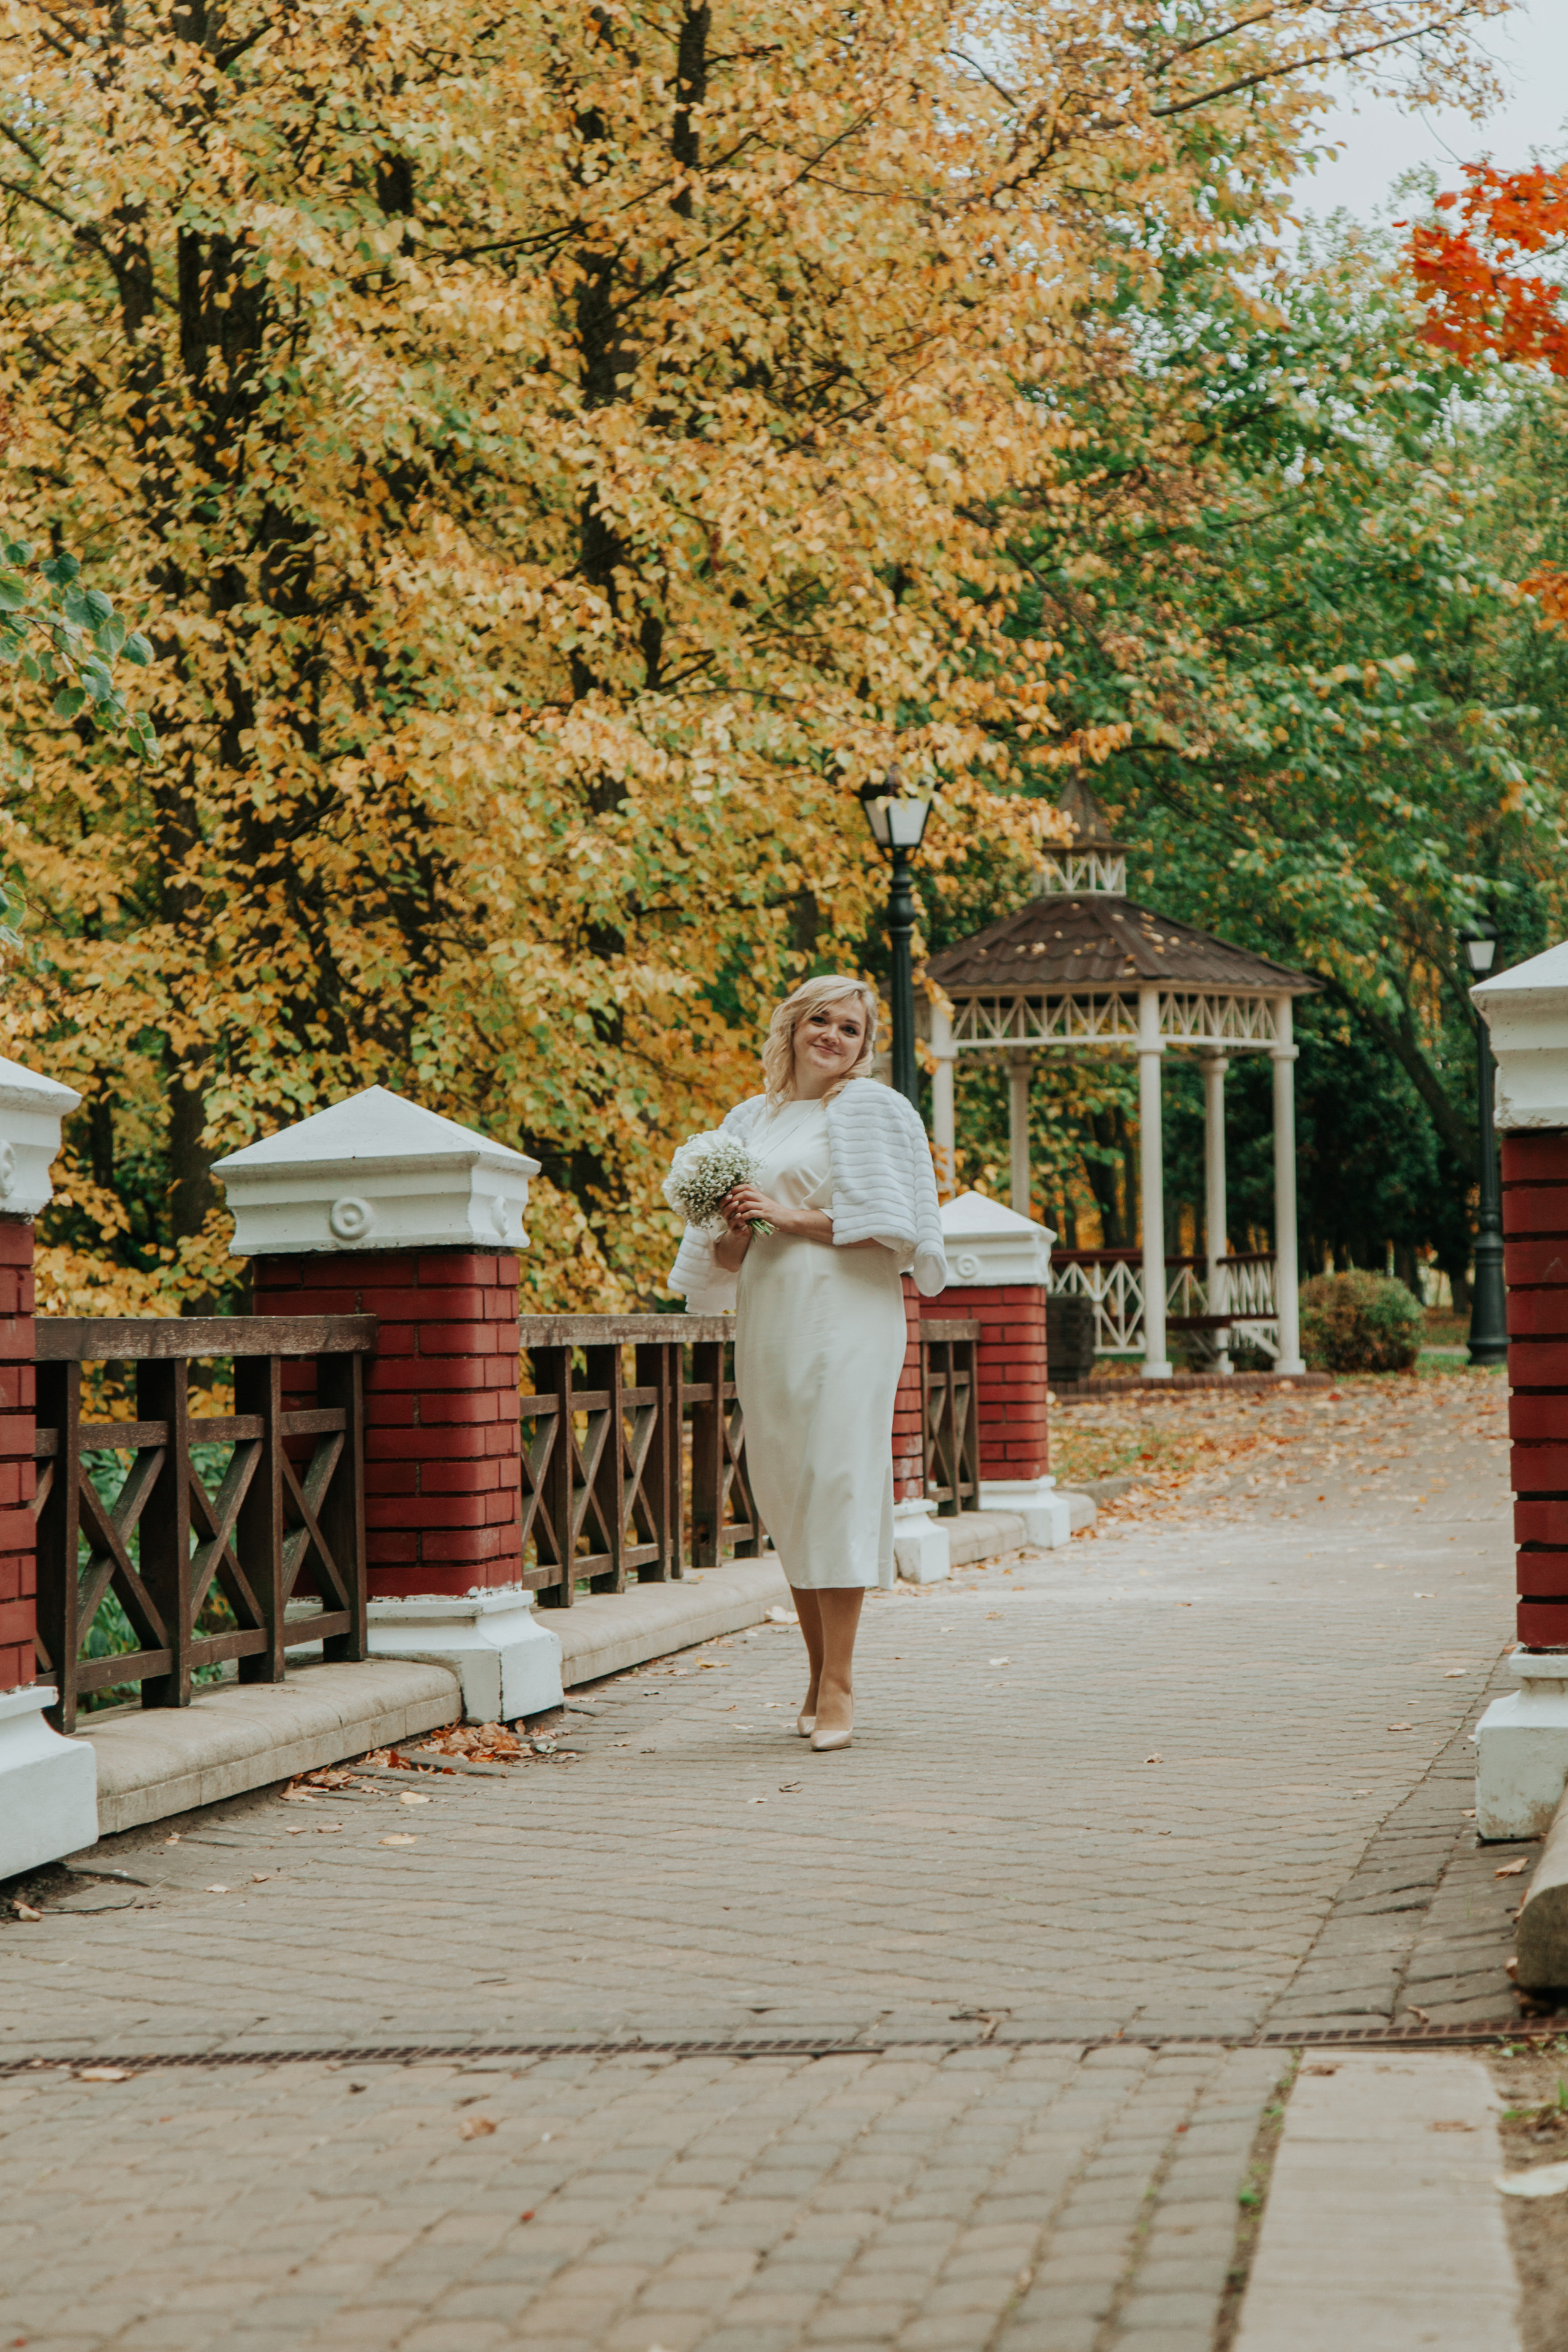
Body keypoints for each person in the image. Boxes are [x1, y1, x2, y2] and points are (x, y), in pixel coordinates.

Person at [667, 976, 946, 1751]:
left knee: (837, 1477)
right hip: (772, 1316)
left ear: (864, 1047)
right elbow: (725, 1255)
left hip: (848, 1315)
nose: (833, 1036)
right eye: (820, 1020)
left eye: (850, 1028)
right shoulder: (746, 1119)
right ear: (792, 1027)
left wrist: (787, 1214)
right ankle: (815, 1668)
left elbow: (892, 1227)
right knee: (786, 1485)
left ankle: (841, 1685)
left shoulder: (870, 1109)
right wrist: (732, 1222)